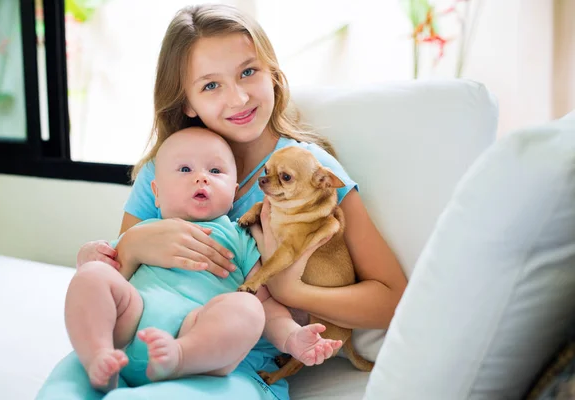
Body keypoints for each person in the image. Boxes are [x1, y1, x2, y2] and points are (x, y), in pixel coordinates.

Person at [37, 4, 407, 400]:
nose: (239, 97)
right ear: (187, 102)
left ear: (275, 76)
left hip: (231, 365)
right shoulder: (163, 168)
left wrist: (292, 292)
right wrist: (130, 245)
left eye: (249, 72)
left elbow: (392, 298)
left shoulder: (308, 169)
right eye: (211, 85)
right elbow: (121, 283)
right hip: (132, 342)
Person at [66, 127, 342, 392]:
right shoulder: (144, 232)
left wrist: (292, 337)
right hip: (129, 326)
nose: (201, 178)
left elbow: (267, 306)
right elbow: (110, 271)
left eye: (215, 171)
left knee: (247, 306)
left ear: (234, 193)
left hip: (197, 334)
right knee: (92, 275)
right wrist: (89, 256)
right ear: (157, 193)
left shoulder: (240, 239)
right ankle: (98, 353)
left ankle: (180, 356)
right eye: (185, 170)